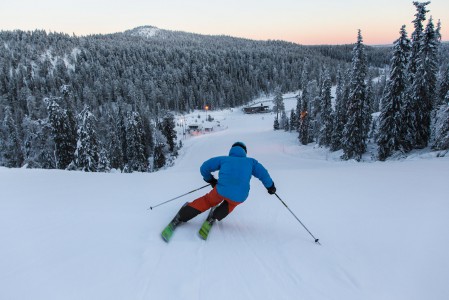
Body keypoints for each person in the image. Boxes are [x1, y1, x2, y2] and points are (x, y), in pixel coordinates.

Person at [174, 141, 276, 226]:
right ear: (245, 152)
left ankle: (183, 214)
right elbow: (264, 174)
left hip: (221, 191)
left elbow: (204, 167)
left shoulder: (224, 159)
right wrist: (270, 186)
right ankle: (216, 215)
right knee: (231, 203)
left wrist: (211, 180)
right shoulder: (251, 162)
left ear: (231, 150)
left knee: (207, 201)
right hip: (241, 195)